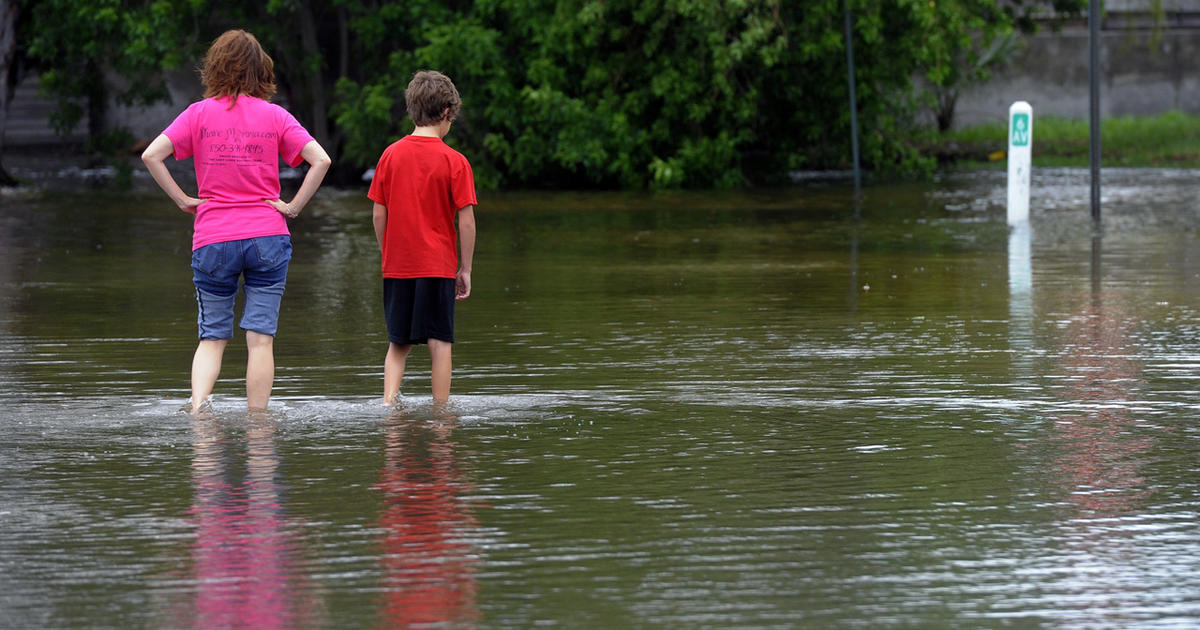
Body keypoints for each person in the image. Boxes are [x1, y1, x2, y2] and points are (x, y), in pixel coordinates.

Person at [141, 29, 331, 414]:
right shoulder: (275, 115)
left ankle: (197, 410)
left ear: (215, 67)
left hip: (213, 237)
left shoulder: (198, 113)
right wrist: (292, 207)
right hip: (267, 237)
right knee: (260, 340)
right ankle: (259, 423)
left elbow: (151, 155)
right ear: (261, 70)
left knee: (212, 338)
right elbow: (322, 159)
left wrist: (182, 200)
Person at [368, 70, 477, 405]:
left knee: (398, 342)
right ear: (446, 112)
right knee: (439, 341)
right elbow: (466, 220)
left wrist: (387, 251)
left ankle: (388, 403)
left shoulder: (389, 155)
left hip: (397, 264)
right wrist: (466, 269)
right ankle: (441, 412)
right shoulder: (455, 161)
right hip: (438, 265)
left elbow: (377, 213)